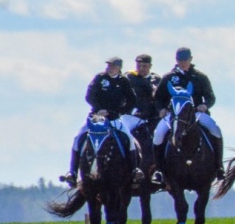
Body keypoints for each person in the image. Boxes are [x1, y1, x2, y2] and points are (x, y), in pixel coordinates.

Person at [61, 57, 145, 187]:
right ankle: (72, 172)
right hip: (96, 117)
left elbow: (131, 100)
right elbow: (89, 96)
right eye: (108, 65)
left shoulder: (123, 81)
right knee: (78, 137)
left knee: (130, 139)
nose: (109, 68)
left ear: (118, 67)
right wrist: (99, 109)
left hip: (114, 118)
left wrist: (119, 111)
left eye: (112, 66)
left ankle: (134, 170)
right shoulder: (100, 78)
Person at [151, 46, 224, 185]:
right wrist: (161, 109)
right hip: (174, 115)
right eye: (180, 60)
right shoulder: (169, 77)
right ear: (176, 60)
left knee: (216, 130)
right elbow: (158, 97)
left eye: (185, 60)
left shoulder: (200, 77)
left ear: (190, 59)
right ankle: (159, 170)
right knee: (158, 134)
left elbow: (211, 97)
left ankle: (219, 166)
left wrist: (205, 105)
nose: (182, 63)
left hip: (196, 113)